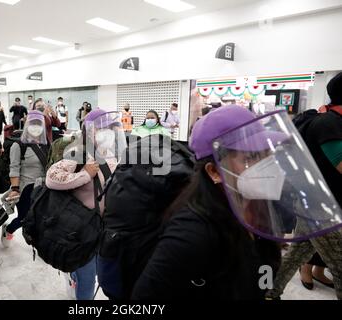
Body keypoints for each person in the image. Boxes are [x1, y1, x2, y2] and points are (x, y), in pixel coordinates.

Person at [132, 105, 342, 300]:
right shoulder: (192, 232)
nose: (267, 165)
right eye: (250, 158)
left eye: (267, 154)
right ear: (214, 171)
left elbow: (262, 275)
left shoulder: (261, 211)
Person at [266, 72, 342, 300]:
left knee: (297, 253)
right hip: (322, 208)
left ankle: (269, 291)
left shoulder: (331, 119)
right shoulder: (329, 122)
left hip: (318, 204)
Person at [45, 109, 123, 300]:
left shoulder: (114, 156)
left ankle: (74, 274)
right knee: (88, 283)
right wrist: (85, 174)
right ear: (89, 132)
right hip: (81, 232)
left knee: (98, 272)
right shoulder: (77, 154)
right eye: (102, 129)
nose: (108, 134)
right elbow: (51, 178)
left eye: (111, 129)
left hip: (103, 230)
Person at [1, 110, 49, 247]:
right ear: (26, 125)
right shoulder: (18, 145)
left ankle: (38, 243)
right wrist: (15, 189)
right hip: (25, 188)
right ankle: (8, 229)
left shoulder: (46, 145)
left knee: (40, 217)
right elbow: (14, 168)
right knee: (24, 218)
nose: (36, 127)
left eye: (39, 124)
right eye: (32, 124)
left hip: (42, 188)